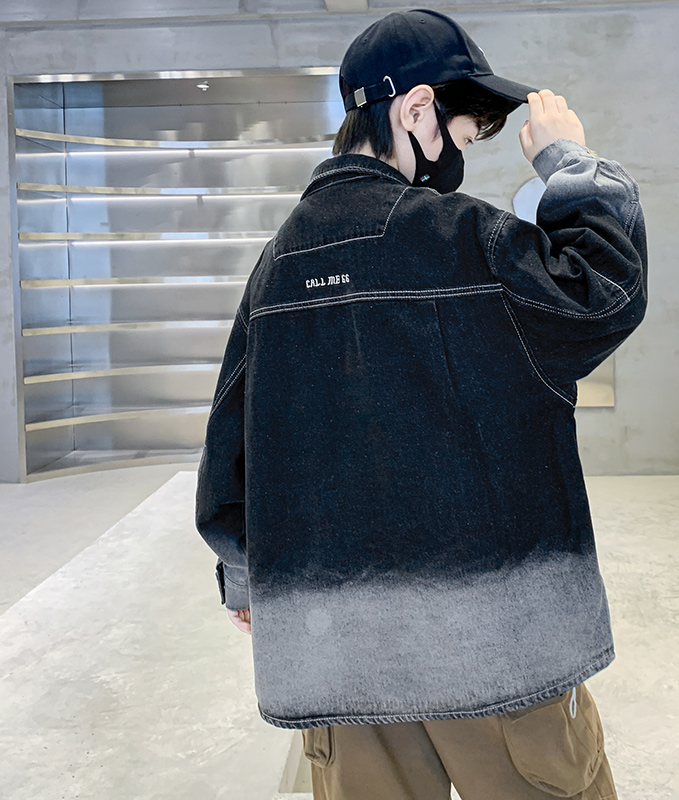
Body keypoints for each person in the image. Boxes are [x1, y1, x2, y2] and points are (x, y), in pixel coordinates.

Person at [195, 8, 647, 800]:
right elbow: (604, 291)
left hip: (342, 660)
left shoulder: (277, 265)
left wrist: (247, 576)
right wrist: (567, 161)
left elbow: (230, 444)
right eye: (465, 135)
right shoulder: (468, 239)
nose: (460, 157)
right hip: (496, 646)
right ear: (415, 110)